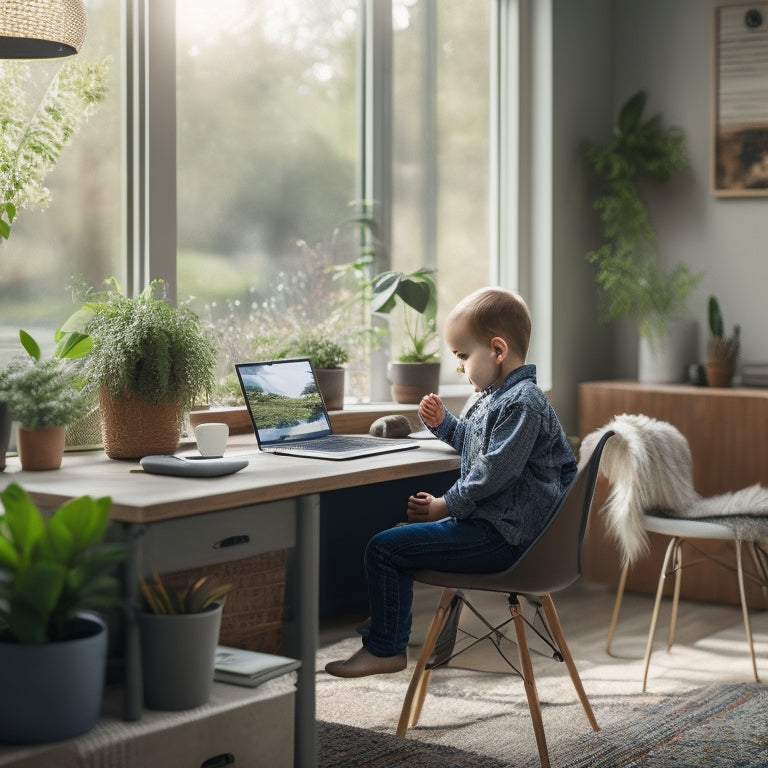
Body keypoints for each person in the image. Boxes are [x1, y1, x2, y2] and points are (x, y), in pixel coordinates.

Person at [324, 287, 577, 678]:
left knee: (384, 549)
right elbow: (477, 448)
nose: (460, 368)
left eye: (462, 357)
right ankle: (385, 635)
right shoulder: (496, 397)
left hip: (508, 538)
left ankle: (385, 648)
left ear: (497, 350)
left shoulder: (523, 402)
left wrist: (446, 504)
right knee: (396, 537)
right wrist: (445, 424)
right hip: (497, 527)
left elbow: (496, 470)